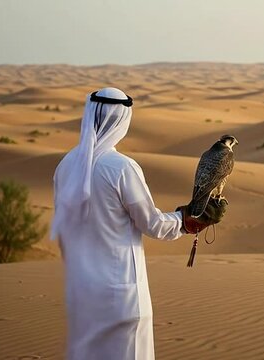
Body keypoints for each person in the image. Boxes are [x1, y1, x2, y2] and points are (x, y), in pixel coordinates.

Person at [50, 87, 226, 360]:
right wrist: (188, 220)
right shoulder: (121, 167)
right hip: (122, 296)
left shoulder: (66, 166)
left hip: (83, 293)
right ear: (123, 119)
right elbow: (153, 224)